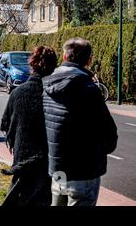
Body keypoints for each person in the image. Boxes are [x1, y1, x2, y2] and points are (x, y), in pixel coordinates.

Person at [43, 38, 118, 206]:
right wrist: (101, 151)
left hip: (58, 167)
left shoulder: (47, 85)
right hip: (83, 169)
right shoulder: (88, 88)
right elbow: (108, 130)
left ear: (64, 57)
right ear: (89, 59)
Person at [0, 46, 58, 206]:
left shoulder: (17, 93)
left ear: (32, 65)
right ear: (53, 67)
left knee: (18, 198)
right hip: (46, 159)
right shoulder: (54, 94)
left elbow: (7, 123)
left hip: (22, 156)